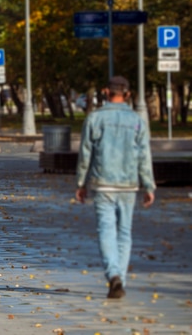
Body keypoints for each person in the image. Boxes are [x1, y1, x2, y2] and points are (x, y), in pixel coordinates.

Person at [75, 76, 156, 299]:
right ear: (128, 94)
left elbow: (85, 154)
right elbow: (144, 155)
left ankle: (113, 276)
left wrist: (81, 183)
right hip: (129, 185)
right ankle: (119, 276)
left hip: (103, 184)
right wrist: (148, 185)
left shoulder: (94, 118)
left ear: (105, 92)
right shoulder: (137, 120)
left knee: (106, 230)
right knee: (124, 233)